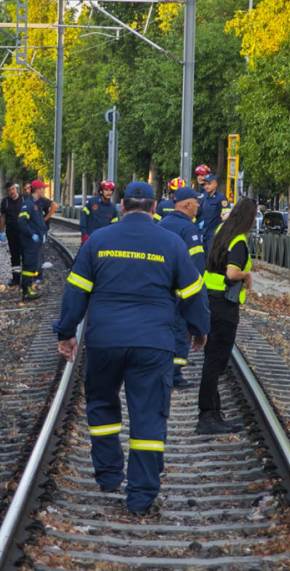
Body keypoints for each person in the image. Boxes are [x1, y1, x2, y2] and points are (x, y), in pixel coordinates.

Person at [53, 181, 210, 514]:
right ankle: (140, 497)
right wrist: (200, 330)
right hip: (153, 344)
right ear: (155, 208)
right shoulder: (171, 243)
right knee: (149, 416)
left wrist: (66, 332)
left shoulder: (99, 241)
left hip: (105, 339)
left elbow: (76, 291)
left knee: (100, 402)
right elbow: (194, 293)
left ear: (122, 206)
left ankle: (110, 474)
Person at [197, 197, 257, 435]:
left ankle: (214, 412)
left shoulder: (222, 232)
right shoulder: (240, 241)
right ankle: (206, 416)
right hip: (224, 306)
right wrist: (247, 275)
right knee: (216, 361)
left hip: (210, 300)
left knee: (212, 358)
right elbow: (232, 272)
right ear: (249, 219)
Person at [157, 186, 205, 390]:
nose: (198, 205)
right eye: (196, 201)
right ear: (187, 204)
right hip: (181, 290)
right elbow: (196, 264)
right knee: (180, 329)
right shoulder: (188, 228)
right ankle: (174, 375)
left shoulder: (162, 224)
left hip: (161, 288)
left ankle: (162, 370)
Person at [16, 180, 48, 300]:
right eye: (43, 189)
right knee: (29, 265)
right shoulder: (28, 205)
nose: (44, 191)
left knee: (33, 264)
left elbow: (40, 221)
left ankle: (28, 288)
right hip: (30, 242)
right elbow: (21, 221)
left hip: (35, 241)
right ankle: (26, 291)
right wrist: (31, 234)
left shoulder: (37, 204)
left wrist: (43, 233)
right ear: (38, 190)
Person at [0, 182, 25, 286]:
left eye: (12, 189)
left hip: (24, 232)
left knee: (25, 255)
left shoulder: (24, 199)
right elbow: (2, 217)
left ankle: (27, 278)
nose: (11, 192)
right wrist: (1, 232)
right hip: (12, 232)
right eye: (9, 190)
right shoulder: (5, 202)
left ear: (16, 188)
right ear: (7, 191)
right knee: (15, 256)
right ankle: (16, 279)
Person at [198, 174, 230, 252]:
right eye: (205, 184)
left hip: (214, 235)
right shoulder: (204, 197)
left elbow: (226, 214)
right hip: (203, 234)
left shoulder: (221, 198)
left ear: (215, 184)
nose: (206, 186)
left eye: (209, 184)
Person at [79, 180, 117, 244]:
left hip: (104, 242)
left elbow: (114, 227)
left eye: (111, 190)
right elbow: (83, 219)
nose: (109, 192)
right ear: (101, 191)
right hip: (89, 240)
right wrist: (84, 234)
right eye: (106, 190)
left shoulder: (112, 209)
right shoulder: (91, 202)